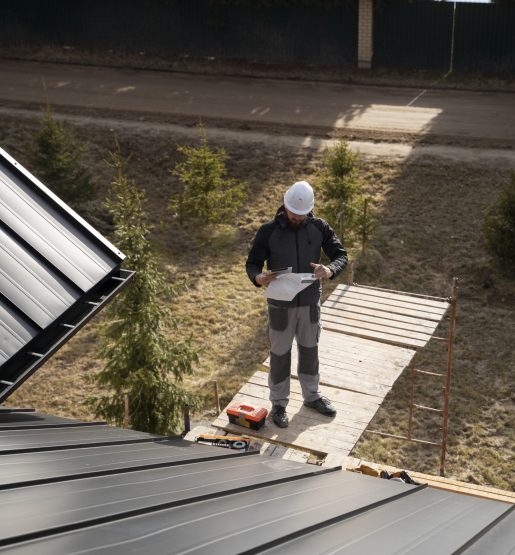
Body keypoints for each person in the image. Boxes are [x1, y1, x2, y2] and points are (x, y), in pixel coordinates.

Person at [246, 181, 348, 428]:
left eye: (302, 215)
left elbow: (341, 255)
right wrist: (258, 278)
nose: (297, 218)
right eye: (293, 214)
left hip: (310, 302)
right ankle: (279, 403)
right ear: (285, 206)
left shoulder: (319, 227)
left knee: (310, 350)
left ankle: (312, 396)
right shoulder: (268, 231)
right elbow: (252, 264)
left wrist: (329, 269)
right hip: (280, 305)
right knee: (280, 355)